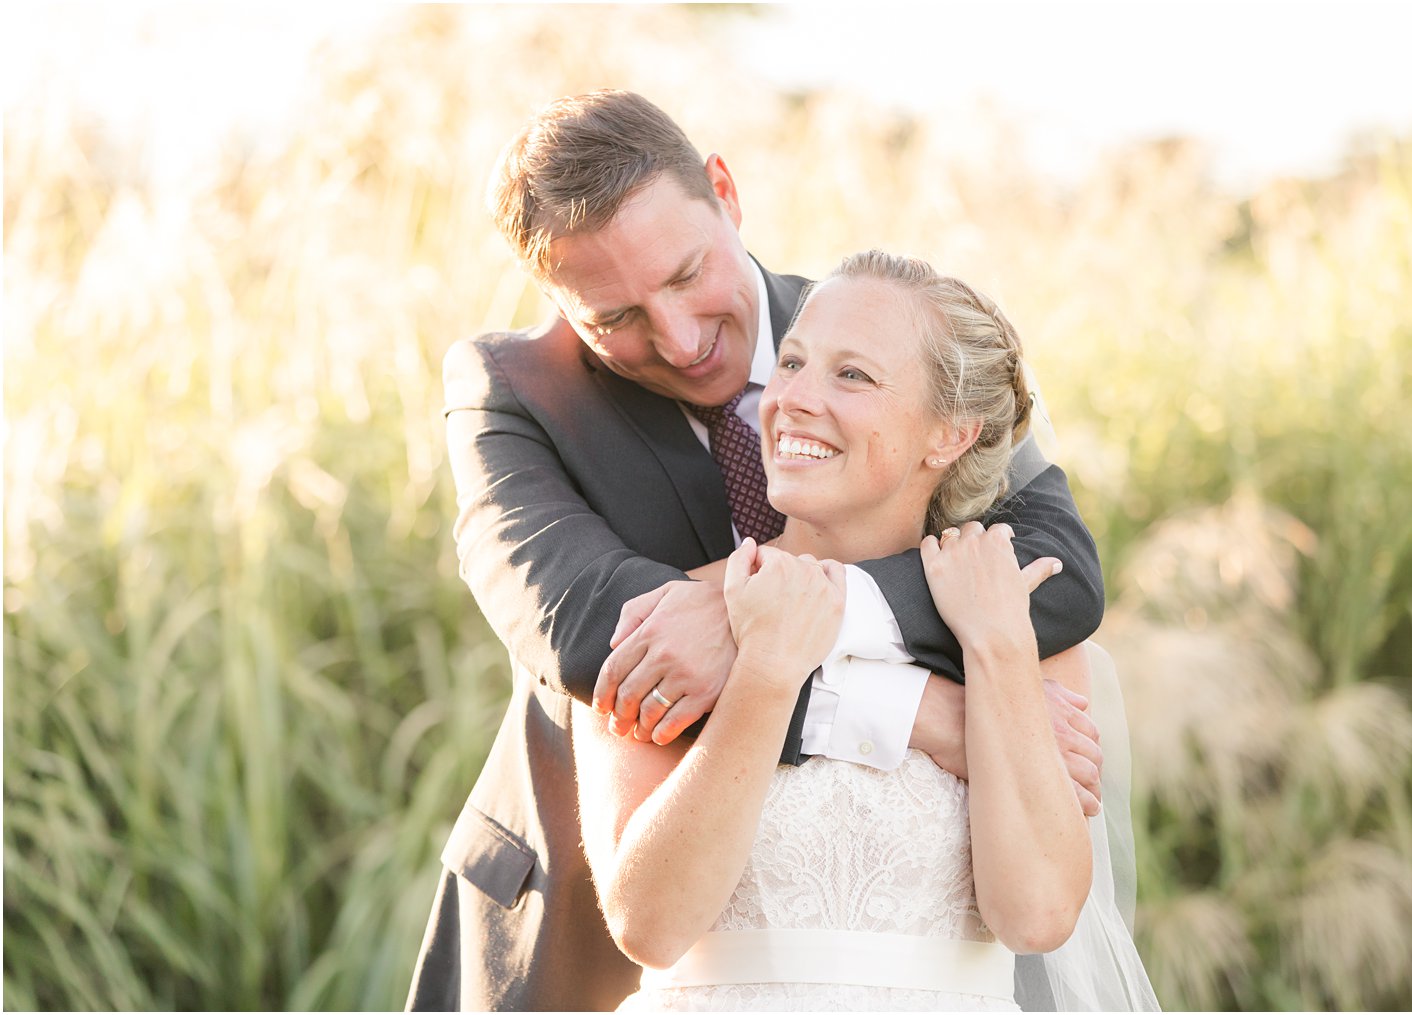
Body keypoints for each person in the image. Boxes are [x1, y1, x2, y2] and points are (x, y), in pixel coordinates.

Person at [406, 90, 1108, 1012]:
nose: (679, 339)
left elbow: (1056, 569)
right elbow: (601, 638)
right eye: (613, 317)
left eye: (688, 274)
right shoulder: (515, 393)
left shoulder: (902, 332)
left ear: (726, 195)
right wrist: (918, 710)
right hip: (583, 913)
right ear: (556, 298)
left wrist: (805, 609)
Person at [577, 251, 1158, 1011]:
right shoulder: (677, 623)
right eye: (791, 362)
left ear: (949, 434)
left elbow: (1038, 913)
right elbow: (647, 924)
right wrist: (766, 675)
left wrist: (997, 647)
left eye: (852, 375)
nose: (792, 400)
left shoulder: (1011, 619)